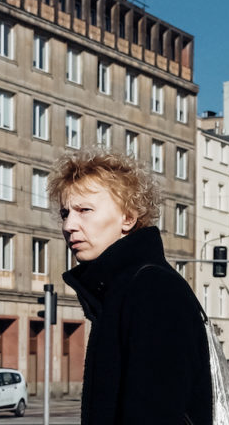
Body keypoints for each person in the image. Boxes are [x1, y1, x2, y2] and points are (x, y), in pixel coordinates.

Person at [51, 148, 212, 425]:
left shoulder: (152, 289)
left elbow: (157, 411)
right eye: (65, 213)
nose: (69, 225)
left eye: (84, 210)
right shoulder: (119, 289)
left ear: (128, 217)